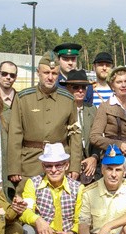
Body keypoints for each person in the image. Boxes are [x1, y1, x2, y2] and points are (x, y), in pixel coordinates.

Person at [6, 52, 82, 188]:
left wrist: (75, 166)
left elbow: (75, 134)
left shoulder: (68, 99)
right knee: (27, 204)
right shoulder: (23, 98)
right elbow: (15, 134)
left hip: (59, 164)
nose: (50, 77)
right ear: (37, 72)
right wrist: (14, 167)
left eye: (54, 73)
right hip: (30, 163)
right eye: (46, 73)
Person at [19, 143, 85, 234]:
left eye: (58, 165)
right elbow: (25, 211)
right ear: (43, 167)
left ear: (66, 165)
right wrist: (38, 220)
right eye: (49, 166)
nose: (54, 170)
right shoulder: (33, 183)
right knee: (27, 230)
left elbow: (80, 219)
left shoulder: (78, 188)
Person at [89, 65, 126, 178]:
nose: (123, 85)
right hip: (114, 161)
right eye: (119, 82)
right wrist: (118, 145)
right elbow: (94, 137)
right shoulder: (105, 107)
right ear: (112, 86)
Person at [63, 70, 100, 183]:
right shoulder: (61, 110)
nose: (80, 90)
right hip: (68, 164)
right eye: (75, 87)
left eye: (84, 87)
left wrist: (94, 157)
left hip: (90, 165)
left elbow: (97, 137)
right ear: (67, 88)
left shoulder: (92, 109)